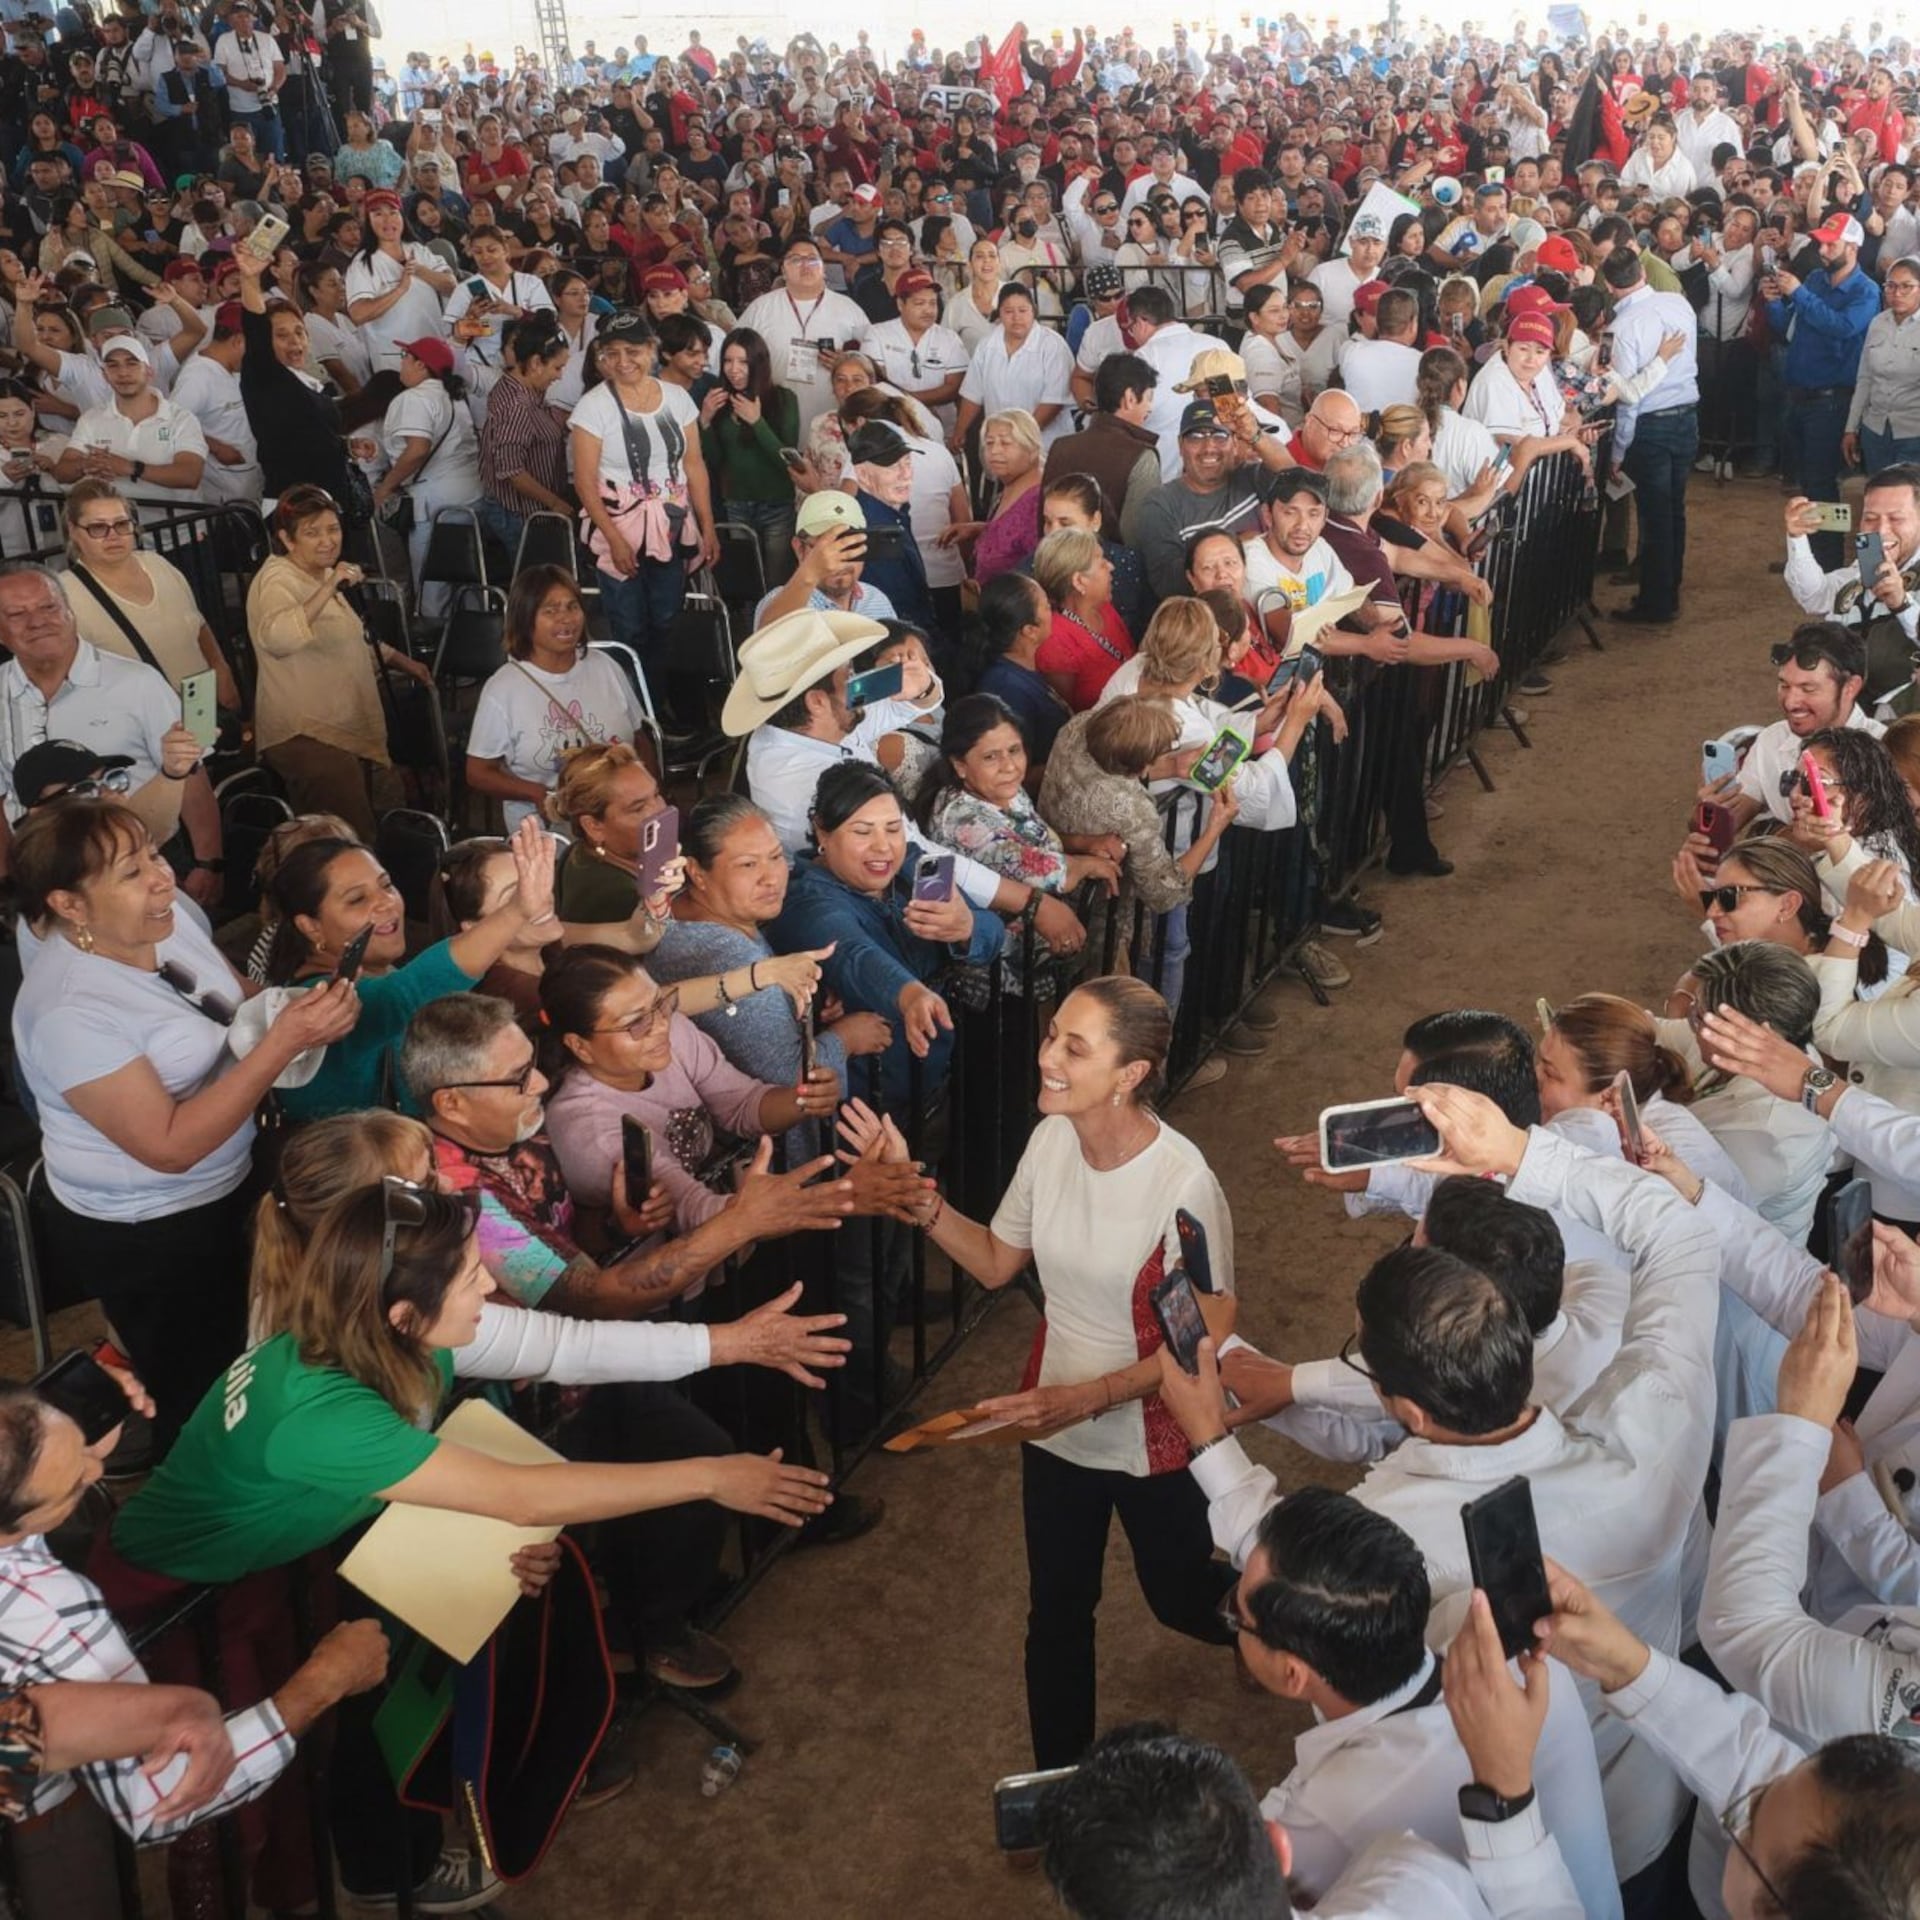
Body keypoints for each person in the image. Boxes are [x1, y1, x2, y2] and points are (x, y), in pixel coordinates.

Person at [108, 1171, 833, 1907]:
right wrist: (711, 1475)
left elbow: (565, 1349)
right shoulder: (322, 1413)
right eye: (467, 1275)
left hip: (283, 1561)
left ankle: (379, 1872)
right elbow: (517, 1495)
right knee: (235, 1797)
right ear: (401, 1314)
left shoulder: (374, 1326)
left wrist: (731, 1342)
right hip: (183, 1598)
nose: (488, 1282)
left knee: (326, 1754)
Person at [843, 975, 1235, 1766]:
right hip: (1050, 1425)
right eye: (1053, 1033)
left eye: (1074, 1047)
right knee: (1056, 1610)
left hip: (1154, 1430)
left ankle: (1286, 1638)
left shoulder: (1183, 1183)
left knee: (1180, 1594)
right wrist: (916, 1196)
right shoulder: (1051, 1137)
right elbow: (994, 1261)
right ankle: (1059, 1783)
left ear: (1130, 1075)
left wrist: (1089, 1398)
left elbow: (1212, 1328)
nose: (1047, 1056)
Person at [9, 800, 357, 1449]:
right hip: (151, 1227)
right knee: (200, 1392)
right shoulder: (69, 1010)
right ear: (70, 904)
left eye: (153, 854)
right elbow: (169, 1147)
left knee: (256, 1354)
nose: (162, 877)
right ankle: (209, 1523)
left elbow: (240, 1003)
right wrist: (282, 1045)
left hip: (234, 1173)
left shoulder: (168, 923)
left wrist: (306, 1009)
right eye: (130, 871)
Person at [0, 1376, 391, 1920]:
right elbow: (154, 1798)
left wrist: (62, 1424)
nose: (95, 1473)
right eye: (70, 1485)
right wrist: (320, 1683)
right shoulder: (50, 1612)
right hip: (36, 1827)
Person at [246, 485, 426, 841]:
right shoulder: (277, 579)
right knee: (346, 835)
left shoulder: (322, 572)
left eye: (333, 529)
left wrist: (406, 663)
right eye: (312, 533)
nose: (327, 541)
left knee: (377, 815)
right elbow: (278, 638)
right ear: (287, 538)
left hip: (344, 724)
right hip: (308, 730)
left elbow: (353, 639)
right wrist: (330, 588)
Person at [570, 309, 720, 670]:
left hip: (670, 527)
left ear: (652, 350)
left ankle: (658, 701)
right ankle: (633, 707)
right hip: (618, 528)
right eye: (613, 353)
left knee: (667, 619)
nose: (623, 361)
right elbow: (584, 482)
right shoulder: (593, 406)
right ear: (601, 357)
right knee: (628, 627)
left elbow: (694, 466)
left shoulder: (678, 399)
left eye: (633, 351)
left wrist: (707, 525)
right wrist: (614, 539)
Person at [465, 565, 649, 830]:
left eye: (572, 607)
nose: (566, 619)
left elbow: (639, 737)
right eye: (550, 611)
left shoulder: (605, 667)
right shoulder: (502, 689)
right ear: (525, 620)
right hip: (547, 831)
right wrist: (535, 793)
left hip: (617, 826)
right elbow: (478, 772)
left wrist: (646, 795)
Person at [1767, 211, 1881, 570]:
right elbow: (1790, 327)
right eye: (1821, 243)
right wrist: (1774, 302)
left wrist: (1799, 294)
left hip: (1833, 401)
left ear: (1854, 247)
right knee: (1807, 482)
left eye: (1832, 243)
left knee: (1825, 484)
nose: (1824, 249)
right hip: (1800, 395)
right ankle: (1811, 556)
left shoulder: (1867, 291)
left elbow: (1842, 327)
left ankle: (1827, 563)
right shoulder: (1816, 279)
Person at [55, 480, 236, 703]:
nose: (113, 535)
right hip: (134, 721)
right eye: (98, 527)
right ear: (73, 531)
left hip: (200, 707)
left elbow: (198, 626)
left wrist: (221, 670)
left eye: (122, 524)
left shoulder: (158, 564)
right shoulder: (64, 596)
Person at [1601, 246, 1700, 626]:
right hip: (1687, 414)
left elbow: (1626, 397)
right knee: (1674, 508)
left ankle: (1657, 602)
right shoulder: (1677, 303)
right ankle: (1668, 587)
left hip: (1651, 424)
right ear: (1641, 271)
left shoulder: (1621, 328)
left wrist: (1618, 451)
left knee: (1655, 516)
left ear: (1610, 285)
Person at [370, 335, 484, 617]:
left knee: (433, 585)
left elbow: (418, 449)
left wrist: (386, 487)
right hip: (471, 495)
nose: (402, 365)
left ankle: (434, 647)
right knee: (466, 579)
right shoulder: (454, 397)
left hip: (435, 501)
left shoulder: (414, 398)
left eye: (405, 358)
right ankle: (474, 635)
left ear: (421, 365)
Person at [343, 187, 456, 376]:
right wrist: (400, 289)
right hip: (396, 359)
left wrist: (419, 270)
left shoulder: (418, 250)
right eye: (378, 214)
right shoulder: (363, 263)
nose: (387, 220)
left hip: (434, 351)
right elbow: (358, 313)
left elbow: (451, 285)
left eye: (393, 213)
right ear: (368, 222)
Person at [969, 570, 1071, 765]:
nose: (1054, 611)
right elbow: (1020, 773)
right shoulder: (1007, 689)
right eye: (1047, 607)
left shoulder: (1020, 668)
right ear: (1030, 631)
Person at [1033, 526, 1134, 712]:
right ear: (1079, 581)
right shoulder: (1055, 643)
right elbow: (1068, 715)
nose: (1110, 566)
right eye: (1102, 562)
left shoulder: (1103, 608)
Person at [1846, 262, 1920, 475]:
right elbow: (1865, 378)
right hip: (1876, 430)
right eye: (1891, 286)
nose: (1897, 293)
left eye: (1906, 286)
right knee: (1878, 492)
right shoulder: (1877, 323)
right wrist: (1851, 428)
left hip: (1914, 432)